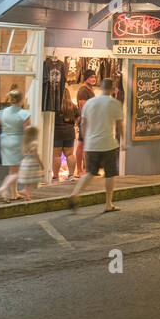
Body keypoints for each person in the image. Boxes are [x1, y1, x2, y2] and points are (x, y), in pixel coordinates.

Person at [68, 79, 125, 213]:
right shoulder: (114, 103)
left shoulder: (90, 103)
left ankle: (74, 194)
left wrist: (85, 139)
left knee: (90, 173)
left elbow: (83, 124)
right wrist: (123, 142)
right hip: (107, 144)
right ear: (112, 89)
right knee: (110, 175)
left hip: (91, 144)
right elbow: (119, 126)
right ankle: (108, 204)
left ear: (101, 88)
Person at [0, 89, 31, 201]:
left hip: (4, 141)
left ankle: (14, 194)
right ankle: (2, 188)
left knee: (12, 169)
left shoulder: (2, 112)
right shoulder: (24, 114)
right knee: (17, 171)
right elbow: (27, 131)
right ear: (21, 99)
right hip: (18, 141)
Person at [73, 71, 98, 177]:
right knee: (81, 144)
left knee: (88, 145)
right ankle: (79, 170)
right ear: (86, 78)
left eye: (95, 77)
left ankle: (88, 169)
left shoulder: (90, 89)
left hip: (91, 121)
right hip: (85, 121)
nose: (94, 79)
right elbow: (83, 107)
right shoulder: (83, 90)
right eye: (91, 77)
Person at [52, 89, 77, 182]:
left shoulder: (55, 107)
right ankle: (71, 175)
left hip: (57, 132)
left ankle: (55, 176)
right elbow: (78, 119)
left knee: (56, 155)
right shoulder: (73, 106)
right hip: (69, 132)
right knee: (70, 154)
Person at [17, 125, 45, 200]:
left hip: (25, 162)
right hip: (32, 163)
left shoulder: (25, 143)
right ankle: (26, 191)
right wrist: (41, 164)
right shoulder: (35, 143)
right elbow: (35, 154)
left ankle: (26, 193)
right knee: (33, 178)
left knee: (29, 179)